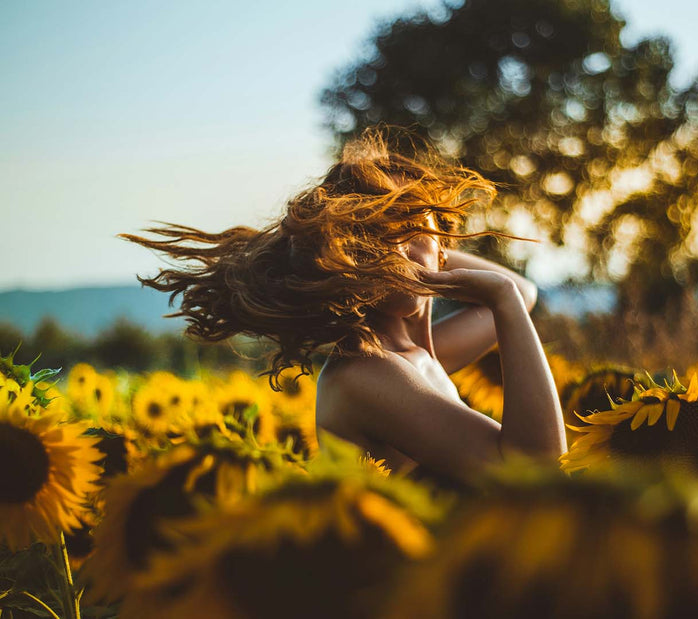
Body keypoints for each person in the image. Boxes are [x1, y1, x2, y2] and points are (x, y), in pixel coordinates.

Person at [120, 127, 566, 485]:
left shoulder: (416, 356)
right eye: (378, 233)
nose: (400, 248)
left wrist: (440, 254)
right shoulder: (366, 373)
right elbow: (536, 470)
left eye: (412, 225)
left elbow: (522, 292)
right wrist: (491, 292)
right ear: (348, 257)